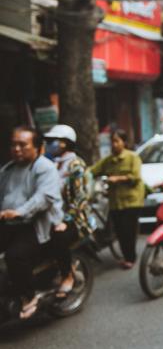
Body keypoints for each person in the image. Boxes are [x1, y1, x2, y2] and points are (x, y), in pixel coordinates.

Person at [0, 126, 62, 318]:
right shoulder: (7, 169)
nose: (17, 149)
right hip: (7, 224)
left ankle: (28, 296)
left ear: (36, 147)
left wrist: (19, 212)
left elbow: (43, 197)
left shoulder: (44, 167)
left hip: (34, 226)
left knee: (15, 256)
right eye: (13, 145)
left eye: (22, 145)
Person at [44, 124, 93, 297]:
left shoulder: (75, 165)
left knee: (58, 238)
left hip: (75, 220)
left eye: (51, 141)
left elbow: (80, 198)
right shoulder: (51, 164)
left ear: (64, 143)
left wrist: (66, 221)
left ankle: (67, 275)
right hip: (52, 217)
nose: (48, 144)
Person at [89, 129, 145, 269]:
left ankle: (130, 258)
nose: (114, 145)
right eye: (112, 142)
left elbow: (135, 177)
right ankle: (127, 256)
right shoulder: (108, 161)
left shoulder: (133, 157)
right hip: (115, 202)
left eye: (117, 141)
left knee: (128, 231)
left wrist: (118, 179)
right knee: (120, 231)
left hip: (132, 201)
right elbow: (92, 171)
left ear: (124, 142)